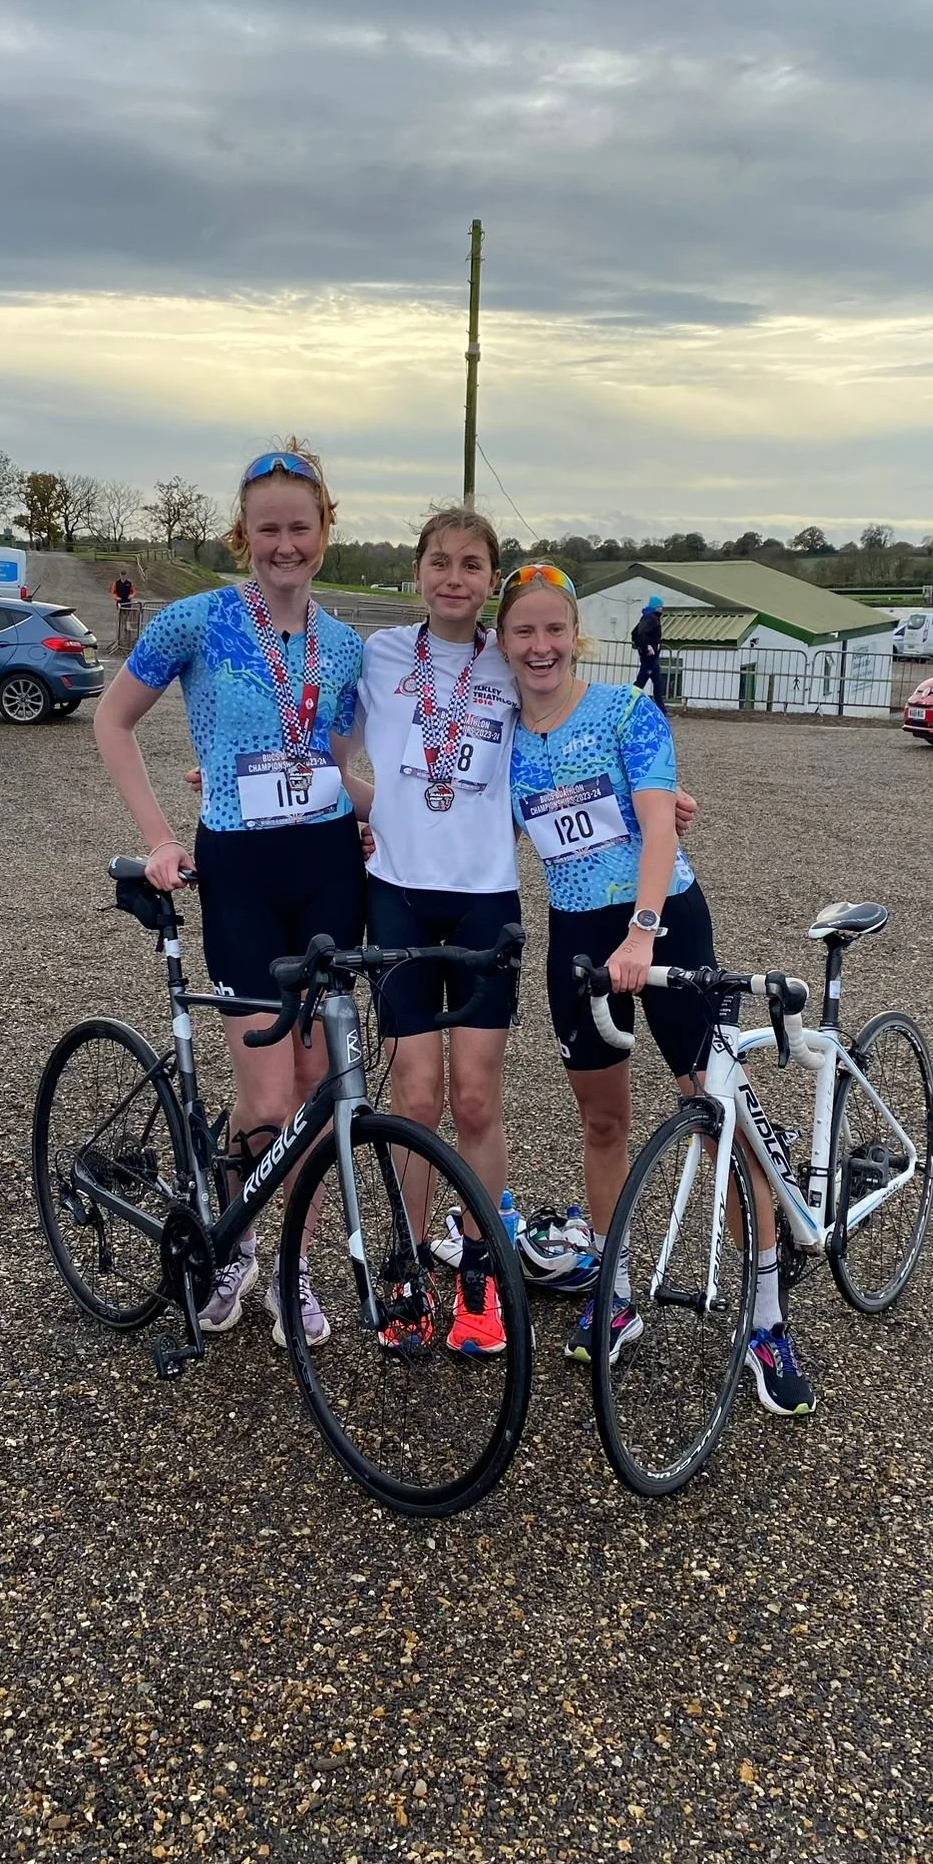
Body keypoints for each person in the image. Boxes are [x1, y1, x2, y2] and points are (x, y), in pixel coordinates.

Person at [496, 563, 813, 1410]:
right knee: (604, 1121)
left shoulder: (627, 710)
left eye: (553, 630)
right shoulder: (501, 734)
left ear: (576, 638)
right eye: (522, 631)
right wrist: (356, 811)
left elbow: (659, 822)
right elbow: (444, 812)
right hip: (576, 936)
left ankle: (767, 1323)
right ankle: (619, 1294)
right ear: (502, 642)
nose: (540, 646)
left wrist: (641, 928)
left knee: (715, 1118)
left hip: (662, 918)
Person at [91, 442, 365, 1351]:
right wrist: (162, 837)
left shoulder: (346, 644)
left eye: (299, 527)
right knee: (271, 1091)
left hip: (329, 867)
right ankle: (234, 1237)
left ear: (325, 532)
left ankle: (291, 1267)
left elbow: (350, 762)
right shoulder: (197, 621)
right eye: (265, 529)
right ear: (240, 534)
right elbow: (112, 720)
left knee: (323, 1086)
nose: (283, 544)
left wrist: (391, 819)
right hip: (241, 871)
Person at [336, 508, 522, 1355]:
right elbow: (325, 749)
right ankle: (408, 1268)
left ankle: (480, 1274)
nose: (455, 577)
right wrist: (371, 810)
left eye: (472, 565)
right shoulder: (376, 654)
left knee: (477, 1098)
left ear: (492, 580)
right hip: (398, 896)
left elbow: (571, 745)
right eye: (440, 562)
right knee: (416, 1097)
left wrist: (652, 802)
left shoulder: (516, 657)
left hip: (486, 898)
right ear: (417, 574)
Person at [632, 595, 666, 708]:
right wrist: (647, 647)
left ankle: (662, 709)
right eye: (660, 606)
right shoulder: (651, 618)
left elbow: (635, 633)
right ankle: (629, 700)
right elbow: (640, 634)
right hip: (649, 657)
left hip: (651, 657)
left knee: (657, 682)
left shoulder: (648, 617)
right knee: (641, 682)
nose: (662, 609)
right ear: (655, 607)